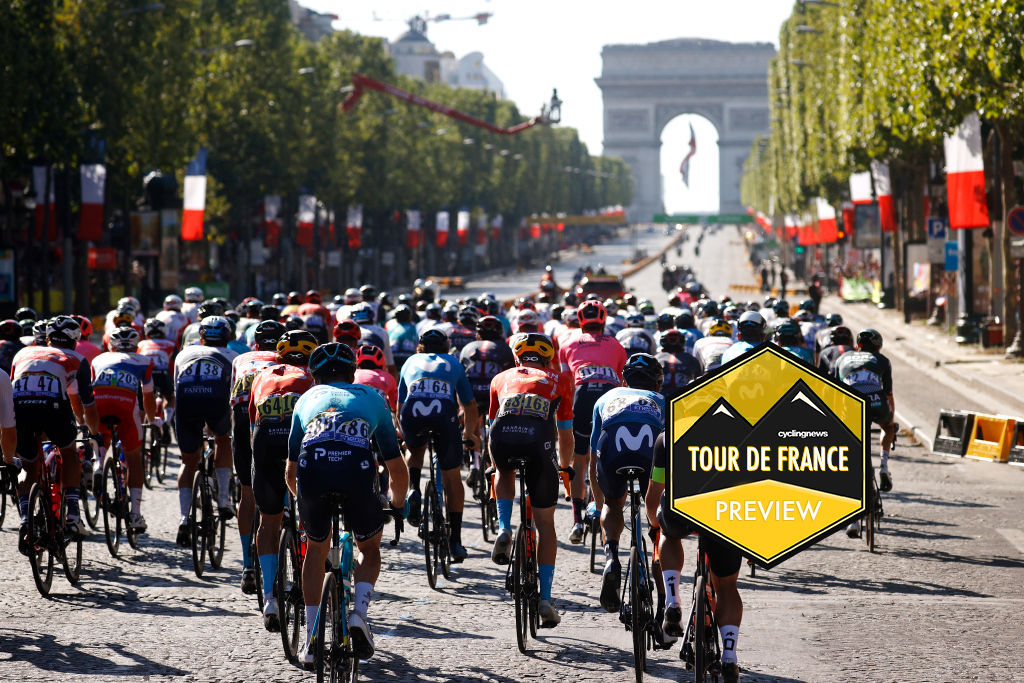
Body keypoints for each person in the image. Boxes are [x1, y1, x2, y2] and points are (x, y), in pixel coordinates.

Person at [287, 343, 408, 665]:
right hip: (357, 470)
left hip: (313, 469)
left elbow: (290, 470)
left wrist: (308, 504)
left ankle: (312, 638)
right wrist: (397, 505)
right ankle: (359, 614)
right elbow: (396, 466)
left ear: (314, 376)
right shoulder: (372, 398)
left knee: (315, 550)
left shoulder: (305, 399)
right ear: (351, 372)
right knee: (369, 548)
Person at [487, 332, 574, 627]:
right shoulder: (560, 380)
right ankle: (545, 598)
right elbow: (564, 432)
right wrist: (564, 467)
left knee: (503, 470)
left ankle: (503, 527)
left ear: (517, 358)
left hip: (502, 437)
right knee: (545, 525)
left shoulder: (500, 378)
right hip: (538, 443)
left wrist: (494, 466)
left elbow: (492, 424)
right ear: (548, 358)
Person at [647, 432, 743, 682]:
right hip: (725, 510)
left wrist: (655, 526)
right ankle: (730, 658)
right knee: (728, 587)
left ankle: (672, 601)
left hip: (682, 507)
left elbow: (654, 493)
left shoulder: (666, 437)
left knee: (668, 533)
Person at [10, 315, 99, 548]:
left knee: (29, 466)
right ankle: (72, 515)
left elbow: (16, 386)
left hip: (19, 410)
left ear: (47, 339)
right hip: (53, 408)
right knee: (69, 452)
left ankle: (25, 518)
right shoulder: (77, 358)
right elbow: (86, 402)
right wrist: (93, 432)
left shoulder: (22, 354)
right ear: (75, 341)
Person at [250, 329, 317, 630]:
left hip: (263, 442)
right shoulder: (312, 378)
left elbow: (252, 417)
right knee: (312, 513)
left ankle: (269, 598)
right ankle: (312, 563)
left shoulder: (262, 376)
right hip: (295, 445)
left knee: (269, 520)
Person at [591, 353, 665, 615]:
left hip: (613, 448)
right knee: (660, 528)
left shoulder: (606, 398)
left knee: (613, 504)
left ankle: (611, 555)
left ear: (623, 379)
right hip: (649, 451)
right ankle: (666, 601)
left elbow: (592, 455)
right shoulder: (662, 400)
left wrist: (599, 503)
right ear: (657, 383)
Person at [397, 328, 479, 562]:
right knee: (452, 477)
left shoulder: (410, 361)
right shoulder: (453, 362)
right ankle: (455, 541)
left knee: (414, 450)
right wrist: (468, 433)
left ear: (420, 347)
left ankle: (413, 487)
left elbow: (399, 405)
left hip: (412, 412)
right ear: (446, 347)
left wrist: (404, 434)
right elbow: (470, 405)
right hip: (443, 414)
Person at [557, 300, 627, 544]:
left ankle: (577, 521)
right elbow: (621, 380)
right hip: (609, 398)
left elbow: (565, 382)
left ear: (580, 320)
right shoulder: (617, 345)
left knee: (581, 458)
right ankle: (599, 510)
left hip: (582, 396)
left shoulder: (566, 344)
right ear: (603, 319)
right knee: (599, 457)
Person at [230, 320, 287, 593]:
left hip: (241, 418)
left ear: (255, 344)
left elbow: (234, 396)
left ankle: (247, 565)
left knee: (247, 493)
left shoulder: (241, 358)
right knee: (287, 478)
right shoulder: (284, 362)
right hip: (271, 419)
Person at [172, 316, 236, 547]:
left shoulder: (182, 354)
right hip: (216, 402)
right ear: (228, 337)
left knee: (188, 461)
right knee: (222, 440)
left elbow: (175, 388)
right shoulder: (233, 357)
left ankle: (183, 517)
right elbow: (235, 394)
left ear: (201, 336)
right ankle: (223, 499)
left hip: (187, 402)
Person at [91, 326, 158, 532]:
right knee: (134, 460)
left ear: (111, 345)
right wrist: (152, 420)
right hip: (125, 407)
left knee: (101, 438)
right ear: (136, 345)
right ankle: (136, 515)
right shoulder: (144, 361)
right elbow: (147, 396)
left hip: (98, 404)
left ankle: (98, 464)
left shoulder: (98, 359)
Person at [834, 328, 896, 536]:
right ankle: (884, 466)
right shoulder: (882, 360)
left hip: (849, 406)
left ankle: (852, 520)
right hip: (876, 404)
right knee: (888, 428)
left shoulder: (842, 358)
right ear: (878, 346)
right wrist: (890, 422)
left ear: (858, 345)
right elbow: (888, 394)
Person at [460, 315, 516, 488]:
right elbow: (512, 377)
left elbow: (461, 380)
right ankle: (494, 463)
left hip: (473, 394)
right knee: (496, 428)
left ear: (478, 334)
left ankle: (474, 461)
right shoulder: (505, 349)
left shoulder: (467, 347)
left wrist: (462, 407)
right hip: (495, 394)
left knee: (472, 421)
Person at [137, 318, 177, 441]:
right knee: (170, 397)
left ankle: (140, 431)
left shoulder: (141, 344)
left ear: (146, 333)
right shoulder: (171, 345)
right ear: (164, 332)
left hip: (145, 375)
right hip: (163, 374)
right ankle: (167, 421)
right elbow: (174, 365)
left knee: (143, 403)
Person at [655, 329, 701, 403]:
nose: (673, 340)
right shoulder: (691, 359)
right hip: (685, 399)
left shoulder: (655, 358)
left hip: (661, 399)